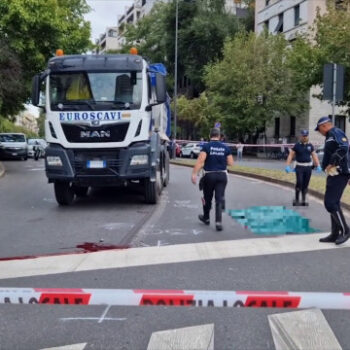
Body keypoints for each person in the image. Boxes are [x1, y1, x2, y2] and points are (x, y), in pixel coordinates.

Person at [315, 117, 350, 245]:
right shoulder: (330, 135)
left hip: (340, 173)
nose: (319, 132)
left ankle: (345, 230)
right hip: (334, 174)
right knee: (333, 203)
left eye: (319, 130)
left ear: (324, 126)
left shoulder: (336, 132)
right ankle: (335, 233)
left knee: (330, 203)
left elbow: (344, 147)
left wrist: (331, 163)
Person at [191, 128, 234, 231]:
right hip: (222, 176)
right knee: (219, 199)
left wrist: (194, 174)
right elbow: (231, 163)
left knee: (207, 198)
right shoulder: (225, 148)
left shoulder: (206, 147)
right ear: (219, 136)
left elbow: (201, 161)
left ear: (210, 136)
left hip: (209, 176)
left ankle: (206, 218)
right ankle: (218, 222)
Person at [285, 130, 321, 206]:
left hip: (308, 167)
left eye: (306, 136)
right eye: (303, 136)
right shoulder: (297, 145)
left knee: (305, 184)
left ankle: (304, 200)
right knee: (299, 182)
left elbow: (314, 156)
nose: (304, 137)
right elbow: (291, 155)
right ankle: (297, 199)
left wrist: (318, 165)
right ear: (301, 136)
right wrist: (287, 165)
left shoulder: (310, 146)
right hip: (299, 167)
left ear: (307, 136)